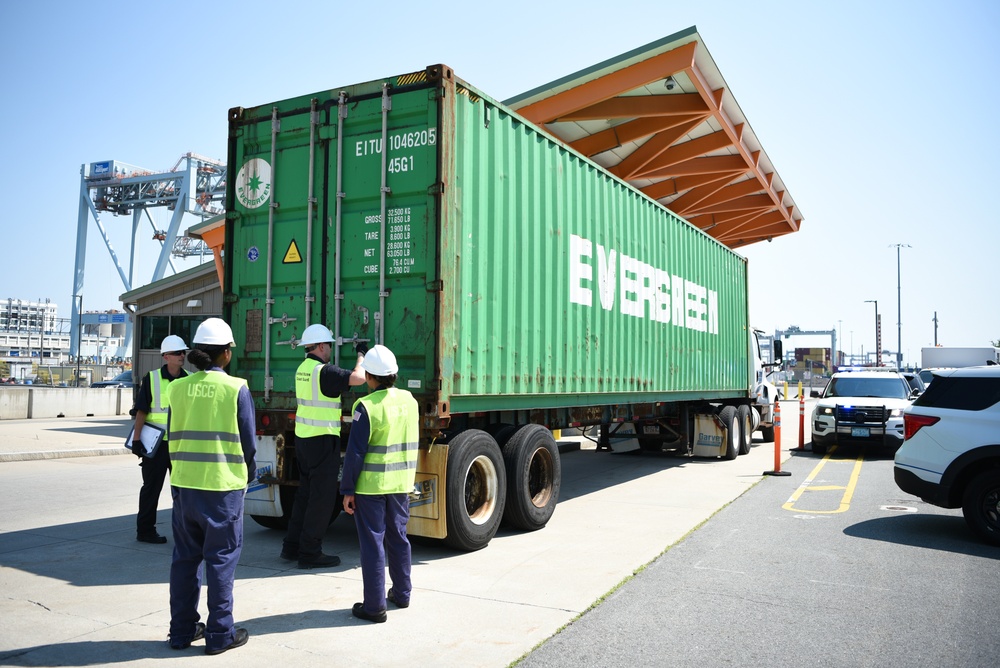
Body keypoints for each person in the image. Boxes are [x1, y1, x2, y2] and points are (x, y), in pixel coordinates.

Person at [167, 318, 256, 655]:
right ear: (226, 354)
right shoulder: (236, 388)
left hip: (184, 486)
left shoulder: (177, 388)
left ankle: (181, 631)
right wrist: (244, 475)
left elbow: (174, 435)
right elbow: (248, 444)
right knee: (220, 560)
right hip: (222, 488)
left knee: (185, 560)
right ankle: (220, 634)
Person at [341, 344, 419, 623]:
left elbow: (356, 452)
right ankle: (402, 593)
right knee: (398, 538)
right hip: (400, 485)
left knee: (373, 545)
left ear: (371, 378)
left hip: (371, 488)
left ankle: (374, 607)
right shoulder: (411, 400)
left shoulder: (366, 406)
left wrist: (347, 489)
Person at [281, 324, 367, 568]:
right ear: (320, 346)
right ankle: (310, 552)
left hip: (304, 439)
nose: (330, 349)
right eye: (328, 345)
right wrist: (361, 355)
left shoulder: (303, 369)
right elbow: (358, 378)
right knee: (322, 499)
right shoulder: (323, 372)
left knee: (305, 495)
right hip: (322, 441)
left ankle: (292, 546)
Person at [130, 334, 189, 544]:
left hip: (180, 445)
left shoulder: (189, 379)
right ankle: (145, 531)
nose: (182, 355)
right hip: (156, 445)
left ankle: (185, 532)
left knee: (183, 492)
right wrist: (137, 440)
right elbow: (141, 411)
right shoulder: (152, 378)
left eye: (183, 352)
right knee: (151, 489)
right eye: (177, 353)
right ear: (166, 356)